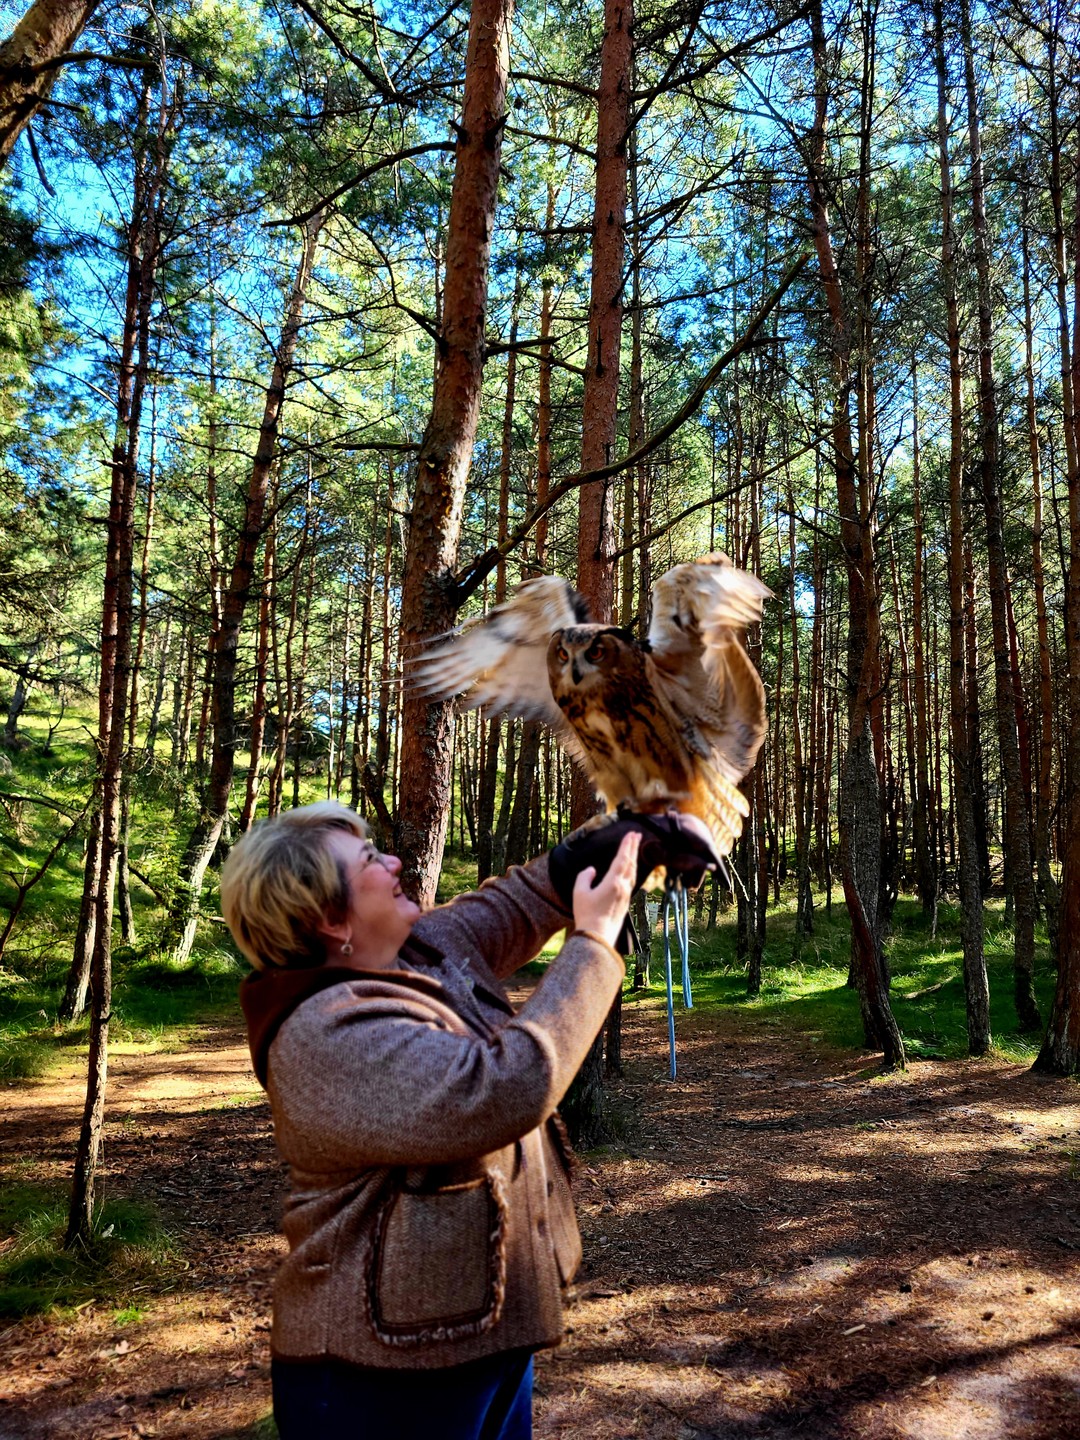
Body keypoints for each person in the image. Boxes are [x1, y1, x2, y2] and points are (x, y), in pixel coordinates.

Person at [222, 799, 642, 1440]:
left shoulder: (424, 949)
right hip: (378, 1377)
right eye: (368, 860)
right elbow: (502, 1089)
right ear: (329, 918)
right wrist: (592, 942)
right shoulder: (322, 1033)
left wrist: (635, 821)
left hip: (480, 1333)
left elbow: (527, 896)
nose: (393, 861)